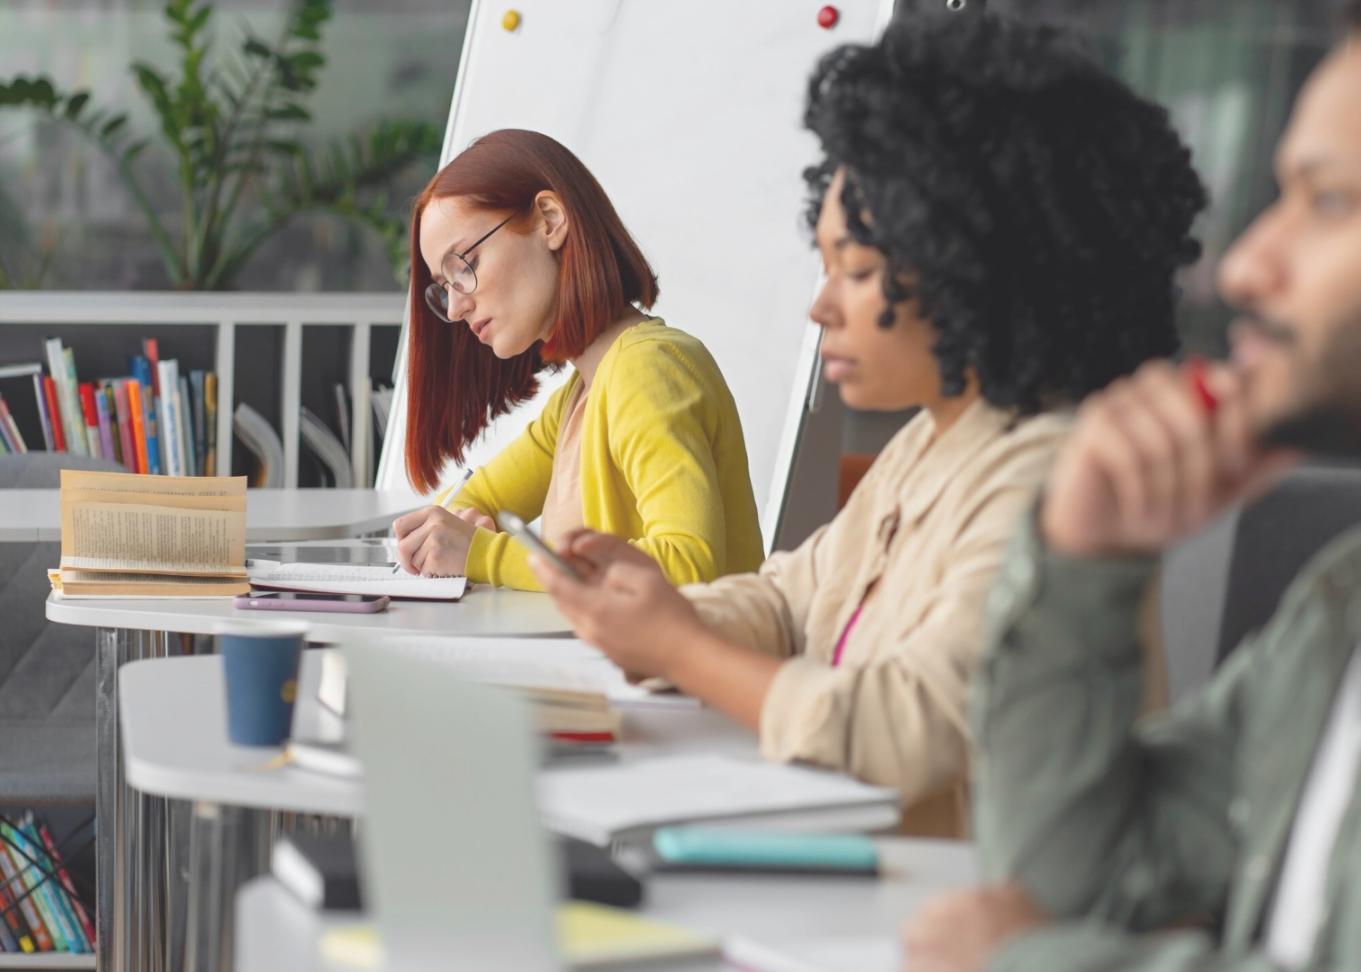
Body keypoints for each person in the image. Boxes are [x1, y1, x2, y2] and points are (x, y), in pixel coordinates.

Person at [531, 9, 1207, 833]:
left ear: (978, 271)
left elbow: (904, 727)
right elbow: (790, 599)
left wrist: (677, 648)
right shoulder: (929, 441)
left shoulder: (1054, 476)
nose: (819, 307)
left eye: (853, 270)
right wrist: (659, 614)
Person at [903, 3, 1361, 968]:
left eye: (1326, 202)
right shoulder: (1340, 605)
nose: (1244, 265)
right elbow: (1076, 877)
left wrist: (1032, 962)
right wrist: (1082, 567)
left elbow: (1037, 922)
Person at [392, 129, 764, 591]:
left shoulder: (646, 370)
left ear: (549, 220)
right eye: (444, 286)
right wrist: (446, 533)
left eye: (463, 265)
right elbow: (480, 498)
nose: (453, 308)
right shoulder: (580, 396)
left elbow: (688, 563)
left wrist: (482, 553)